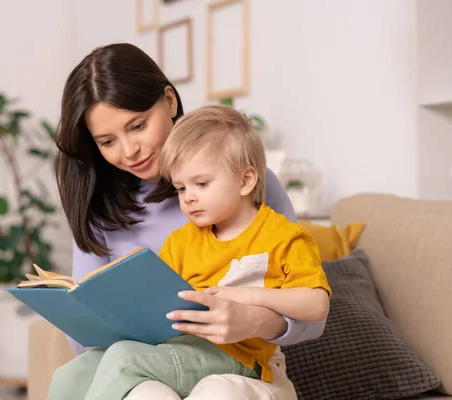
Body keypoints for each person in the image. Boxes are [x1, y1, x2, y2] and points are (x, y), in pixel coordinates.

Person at [49, 42, 327, 400]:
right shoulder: (101, 208)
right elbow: (86, 342)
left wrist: (254, 318)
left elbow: (313, 309)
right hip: (150, 359)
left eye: (138, 125)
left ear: (169, 101)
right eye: (107, 141)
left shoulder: (246, 182)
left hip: (239, 361)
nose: (129, 151)